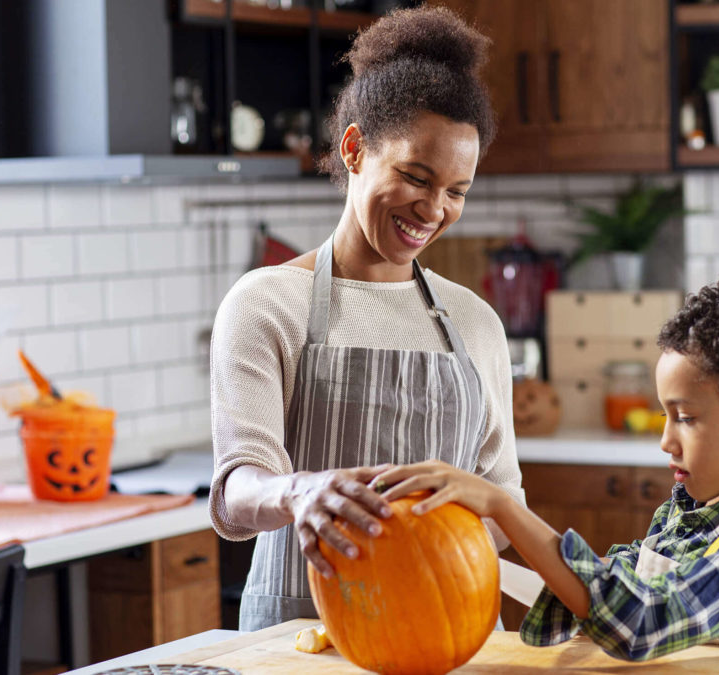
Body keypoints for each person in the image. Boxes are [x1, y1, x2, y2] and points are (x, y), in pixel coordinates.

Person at [208, 6, 524, 632]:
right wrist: (298, 492)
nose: (433, 209)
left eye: (457, 190)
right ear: (354, 149)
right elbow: (238, 488)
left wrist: (428, 570)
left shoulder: (474, 321)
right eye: (414, 176)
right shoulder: (266, 302)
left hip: (445, 631)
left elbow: (503, 498)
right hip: (299, 636)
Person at [375, 277, 719, 660]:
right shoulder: (693, 510)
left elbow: (640, 620)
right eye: (666, 416)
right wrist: (454, 563)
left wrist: (501, 506)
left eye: (686, 418)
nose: (666, 440)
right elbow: (600, 592)